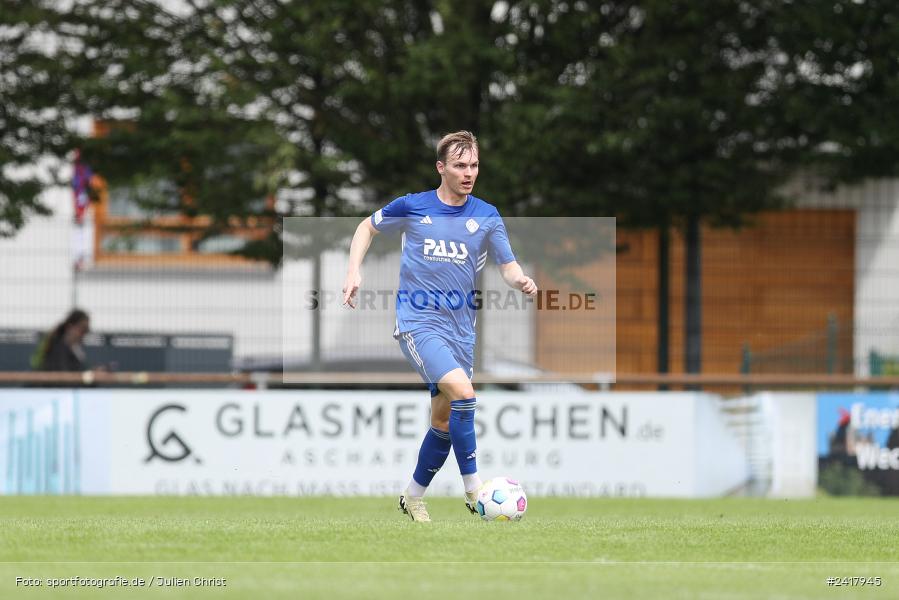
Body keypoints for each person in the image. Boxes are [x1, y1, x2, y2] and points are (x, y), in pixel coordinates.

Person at [342, 131, 538, 522]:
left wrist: (520, 280)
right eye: (461, 166)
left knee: (444, 422)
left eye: (474, 165)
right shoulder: (414, 207)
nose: (469, 173)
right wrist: (353, 271)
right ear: (441, 168)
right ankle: (474, 490)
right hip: (417, 323)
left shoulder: (486, 214)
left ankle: (412, 497)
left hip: (461, 331)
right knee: (465, 394)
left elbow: (508, 264)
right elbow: (366, 227)